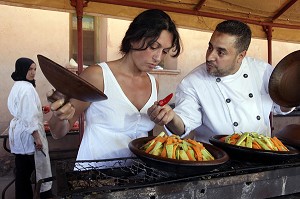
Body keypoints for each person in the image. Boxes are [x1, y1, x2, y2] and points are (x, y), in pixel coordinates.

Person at [47, 9, 181, 164]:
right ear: (133, 39)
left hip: (136, 177)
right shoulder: (98, 76)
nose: (158, 57)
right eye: (153, 46)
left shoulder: (153, 83)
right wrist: (59, 116)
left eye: (164, 51)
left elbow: (144, 138)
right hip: (95, 176)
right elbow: (58, 133)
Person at [147, 20, 294, 143]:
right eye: (210, 47)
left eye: (221, 52)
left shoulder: (262, 71)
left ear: (240, 56)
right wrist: (171, 118)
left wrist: (292, 94)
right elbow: (183, 125)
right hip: (216, 159)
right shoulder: (193, 82)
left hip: (261, 156)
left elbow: (280, 106)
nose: (210, 56)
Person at [7, 58, 53, 198]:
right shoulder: (27, 89)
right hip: (28, 135)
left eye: (34, 69)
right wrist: (37, 137)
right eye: (29, 69)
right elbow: (28, 115)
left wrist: (39, 110)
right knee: (34, 170)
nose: (33, 72)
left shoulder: (18, 85)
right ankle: (43, 195)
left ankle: (23, 196)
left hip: (20, 132)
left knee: (22, 173)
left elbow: (25, 110)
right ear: (22, 69)